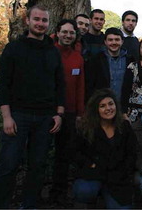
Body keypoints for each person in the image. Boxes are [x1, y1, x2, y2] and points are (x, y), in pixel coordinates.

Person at [0, 5, 65, 209]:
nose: (40, 24)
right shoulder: (13, 48)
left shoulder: (53, 51)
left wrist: (59, 114)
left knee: (38, 167)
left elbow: (59, 84)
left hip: (45, 118)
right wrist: (6, 116)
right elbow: (3, 83)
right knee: (8, 166)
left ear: (49, 23)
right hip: (17, 116)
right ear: (27, 21)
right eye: (37, 19)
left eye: (44, 20)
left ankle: (29, 205)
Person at [72, 89, 136, 209]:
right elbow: (75, 152)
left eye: (111, 104)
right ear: (96, 109)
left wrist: (125, 171)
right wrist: (90, 165)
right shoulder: (87, 129)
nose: (108, 108)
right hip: (93, 174)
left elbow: (132, 153)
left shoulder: (125, 127)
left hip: (118, 179)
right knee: (85, 191)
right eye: (102, 106)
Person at [50, 19, 85, 206]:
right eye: (64, 32)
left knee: (64, 155)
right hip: (48, 111)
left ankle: (59, 194)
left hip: (70, 113)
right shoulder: (49, 53)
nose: (68, 36)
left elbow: (80, 87)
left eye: (71, 33)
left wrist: (80, 113)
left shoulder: (78, 57)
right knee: (40, 154)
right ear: (57, 32)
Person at [85, 28, 131, 103]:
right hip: (102, 105)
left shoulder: (130, 60)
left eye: (117, 40)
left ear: (122, 41)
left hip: (123, 106)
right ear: (105, 42)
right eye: (110, 40)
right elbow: (90, 85)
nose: (114, 42)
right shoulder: (96, 60)